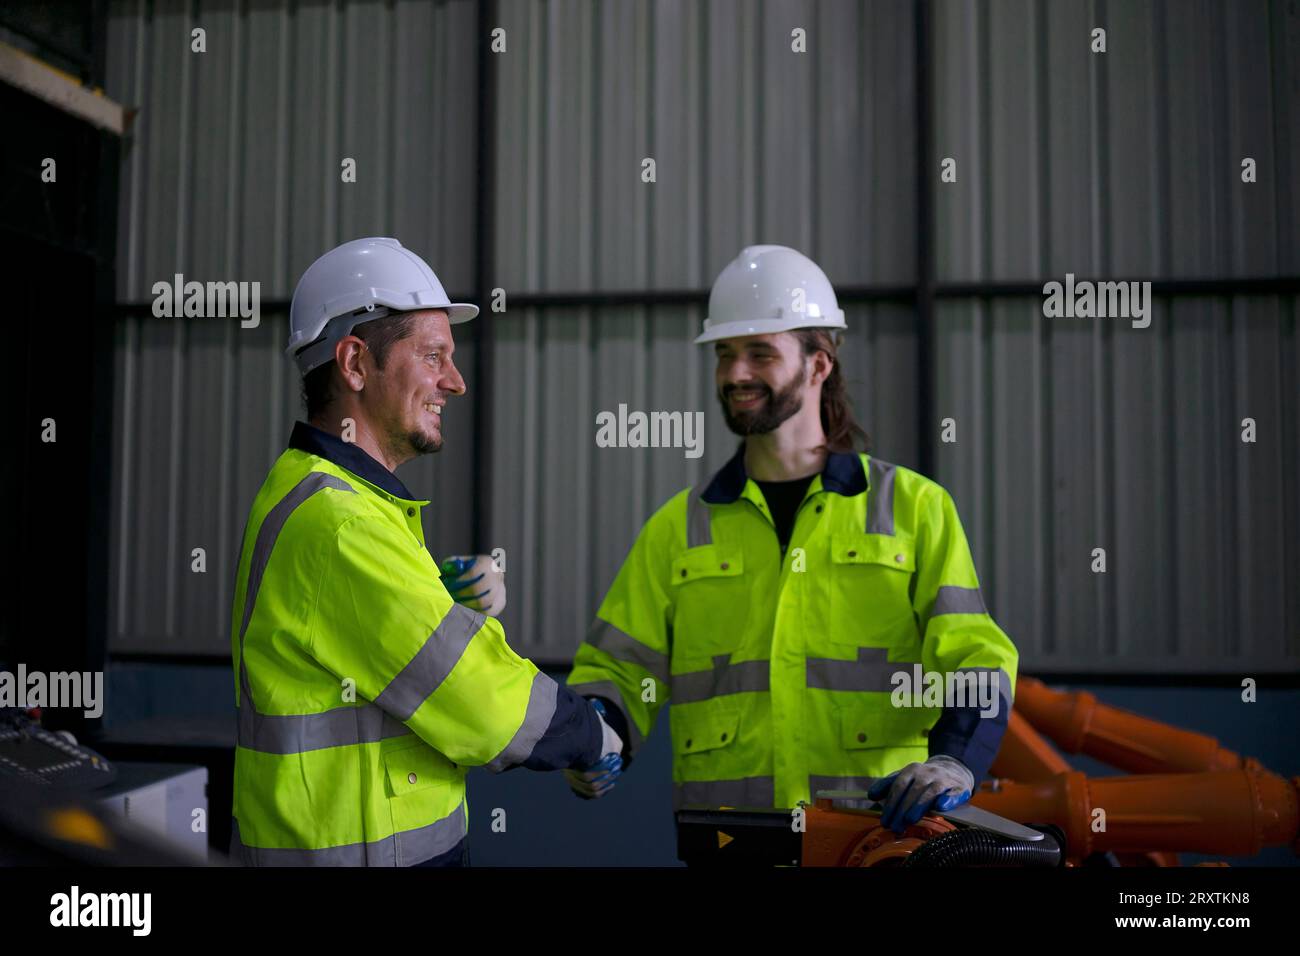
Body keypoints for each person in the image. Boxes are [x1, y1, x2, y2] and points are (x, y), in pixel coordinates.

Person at [565, 245, 1018, 833]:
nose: (735, 374)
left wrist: (956, 761)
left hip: (875, 839)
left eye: (760, 354)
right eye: (725, 354)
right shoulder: (678, 528)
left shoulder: (914, 509)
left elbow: (977, 657)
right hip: (730, 843)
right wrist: (597, 733)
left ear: (818, 364)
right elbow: (620, 666)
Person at [230, 237, 621, 866]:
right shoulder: (340, 523)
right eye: (434, 356)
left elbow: (356, 637)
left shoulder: (329, 498)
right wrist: (590, 733)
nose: (455, 382)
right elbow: (478, 699)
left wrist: (435, 593)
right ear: (355, 363)